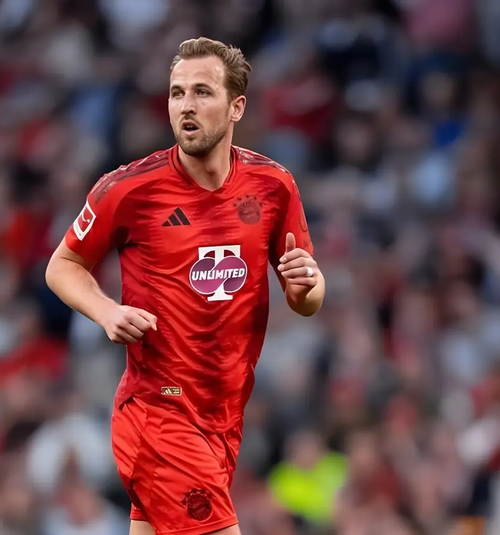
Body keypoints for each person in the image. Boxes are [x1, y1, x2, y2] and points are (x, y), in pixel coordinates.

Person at [45, 37, 326, 535]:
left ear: (236, 106)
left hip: (223, 415)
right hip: (161, 411)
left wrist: (309, 285)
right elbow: (62, 265)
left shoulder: (273, 185)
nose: (186, 105)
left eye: (202, 92)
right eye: (177, 93)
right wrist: (107, 311)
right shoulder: (128, 188)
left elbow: (306, 298)